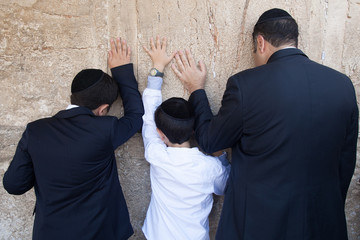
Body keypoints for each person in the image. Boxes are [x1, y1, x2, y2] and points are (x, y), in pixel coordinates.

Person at [172, 8, 358, 240]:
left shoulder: (245, 85)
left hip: (262, 226)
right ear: (294, 40)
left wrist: (196, 90)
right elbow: (346, 161)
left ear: (260, 42)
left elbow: (210, 141)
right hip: (322, 223)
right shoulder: (342, 85)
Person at [3, 38, 144, 240]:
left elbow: (14, 185)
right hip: (100, 233)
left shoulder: (35, 131)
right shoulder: (105, 130)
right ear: (104, 109)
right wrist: (122, 71)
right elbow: (135, 117)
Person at [141, 36, 230, 240]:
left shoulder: (156, 154)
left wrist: (157, 67)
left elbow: (149, 116)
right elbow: (227, 185)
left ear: (161, 134)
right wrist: (222, 155)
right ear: (193, 131)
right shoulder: (210, 168)